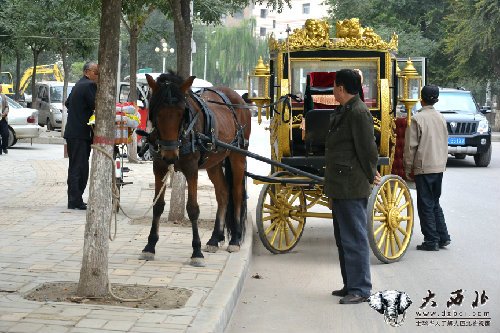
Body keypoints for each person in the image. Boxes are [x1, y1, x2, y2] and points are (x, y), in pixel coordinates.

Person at [325, 69, 378, 304]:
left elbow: (368, 150)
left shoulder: (358, 112)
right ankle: (350, 285)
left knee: (354, 238)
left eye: (335, 86)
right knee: (343, 238)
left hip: (351, 185)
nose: (333, 90)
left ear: (342, 88)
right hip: (340, 184)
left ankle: (360, 289)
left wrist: (370, 174)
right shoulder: (345, 110)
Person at [404, 85, 450, 251]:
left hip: (424, 167)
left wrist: (408, 167)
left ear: (421, 99)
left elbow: (410, 147)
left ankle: (431, 240)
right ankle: (443, 236)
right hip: (439, 166)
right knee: (434, 202)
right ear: (436, 99)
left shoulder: (417, 119)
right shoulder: (441, 117)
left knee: (425, 204)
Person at [64, 61, 99, 210]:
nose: (98, 76)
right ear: (87, 72)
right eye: (96, 73)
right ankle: (75, 200)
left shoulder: (78, 84)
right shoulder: (89, 85)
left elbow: (67, 103)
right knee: (80, 168)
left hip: (73, 132)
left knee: (74, 166)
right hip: (80, 133)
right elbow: (97, 105)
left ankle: (74, 198)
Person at [0, 87, 9, 155]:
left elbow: (6, 106)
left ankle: (4, 147)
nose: (0, 89)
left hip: (3, 118)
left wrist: (5, 113)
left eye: (1, 88)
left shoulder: (3, 96)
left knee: (6, 134)